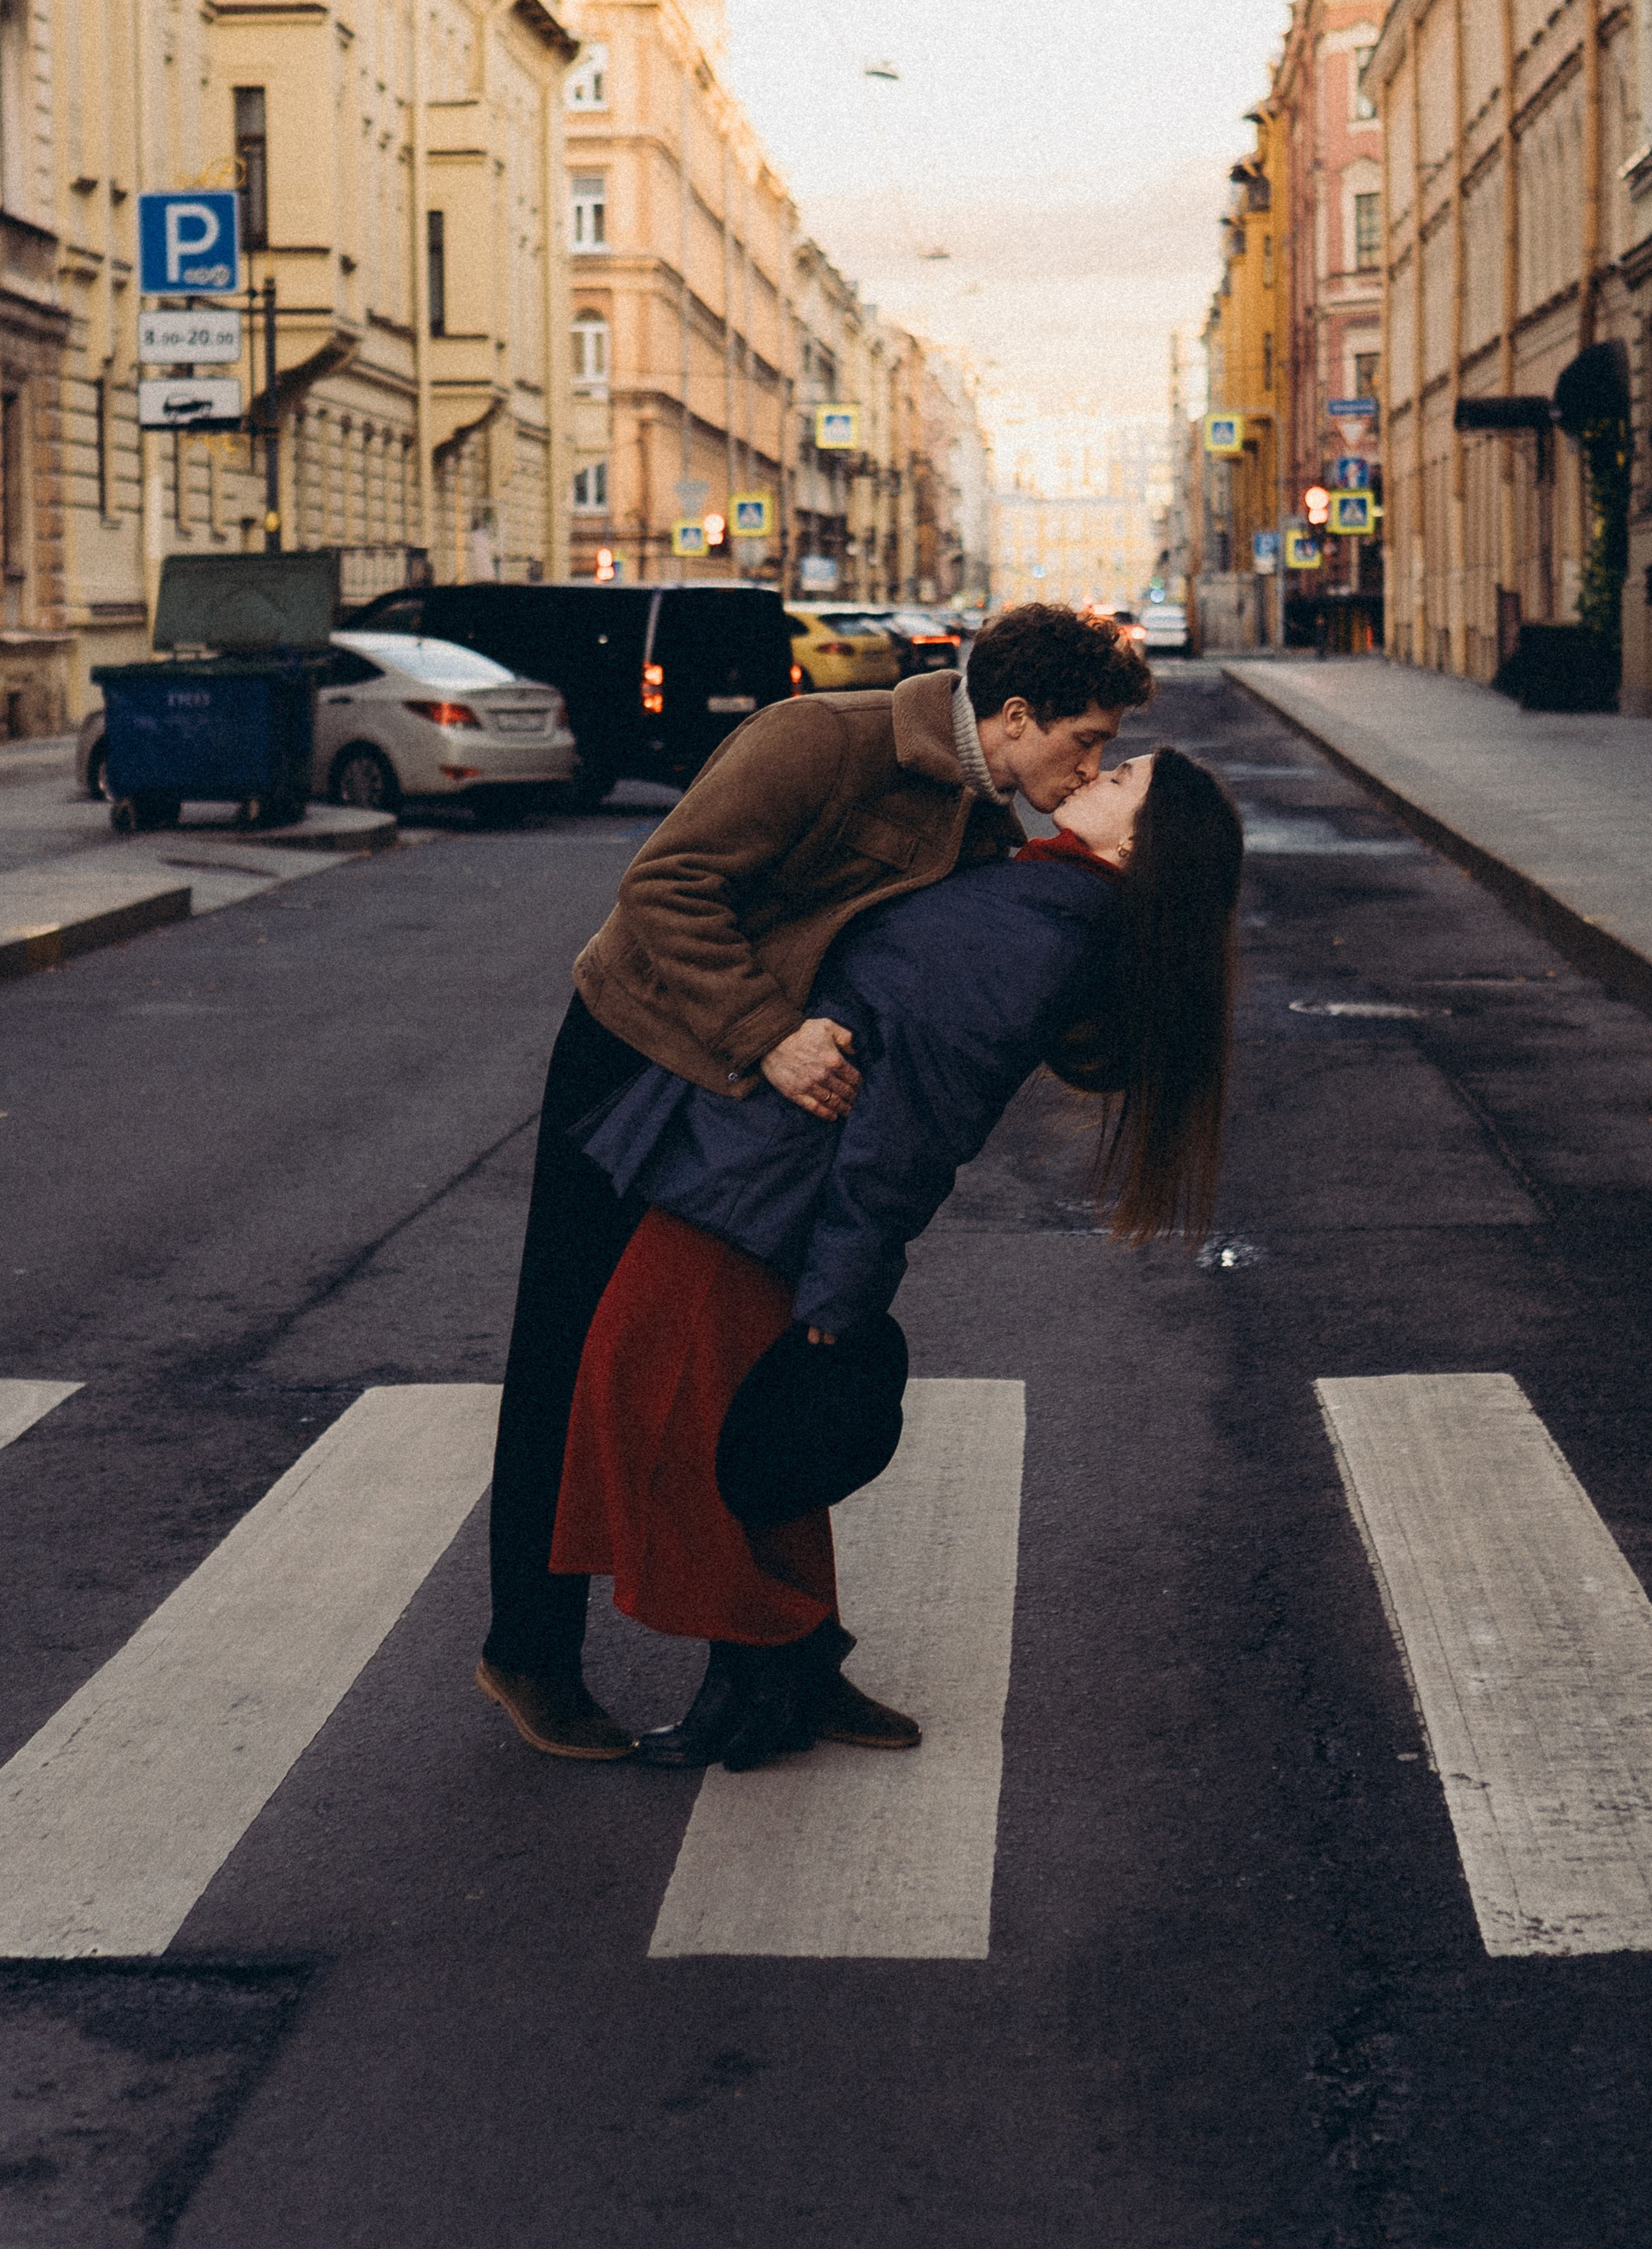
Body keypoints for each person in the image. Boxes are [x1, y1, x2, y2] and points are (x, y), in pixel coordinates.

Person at [477, 602, 1154, 1761]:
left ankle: (792, 1659)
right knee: (570, 1348)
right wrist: (770, 1034)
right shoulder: (820, 741)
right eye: (1082, 743)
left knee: (761, 1376)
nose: (1088, 767)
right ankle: (529, 1655)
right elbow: (665, 888)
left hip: (756, 1111)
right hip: (639, 1051)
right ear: (1015, 715)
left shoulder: (983, 817)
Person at [548, 744, 1245, 1772]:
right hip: (765, 1171)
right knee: (729, 1428)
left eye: (1125, 772)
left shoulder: (1039, 937)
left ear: (1140, 842)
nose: (1099, 766)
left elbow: (912, 1128)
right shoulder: (1046, 891)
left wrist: (842, 1291)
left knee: (649, 1415)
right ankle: (804, 1657)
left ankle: (764, 1662)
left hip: (764, 1189)